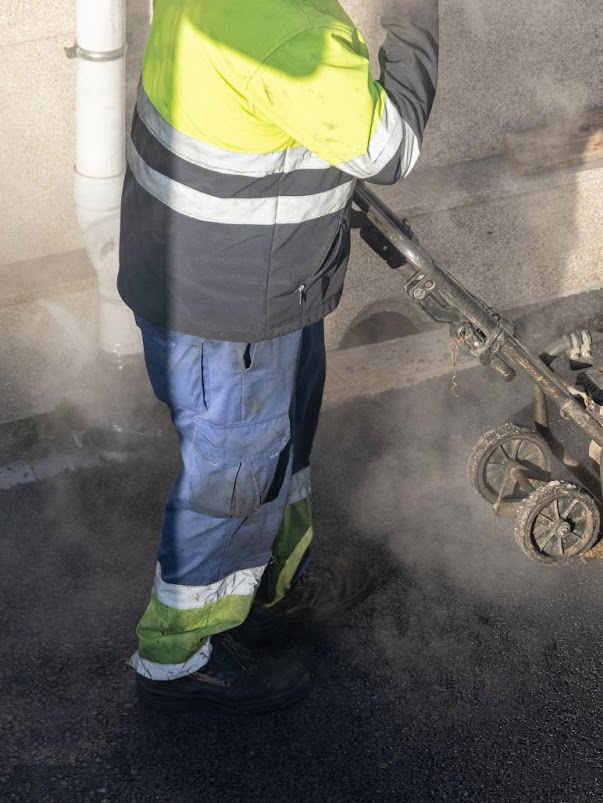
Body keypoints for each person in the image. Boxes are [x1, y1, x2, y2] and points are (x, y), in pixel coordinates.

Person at [118, 0, 440, 713]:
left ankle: (272, 588)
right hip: (231, 306)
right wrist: (415, 15)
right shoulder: (296, 33)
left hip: (223, 274)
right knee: (233, 476)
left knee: (275, 448)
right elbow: (392, 151)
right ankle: (179, 659)